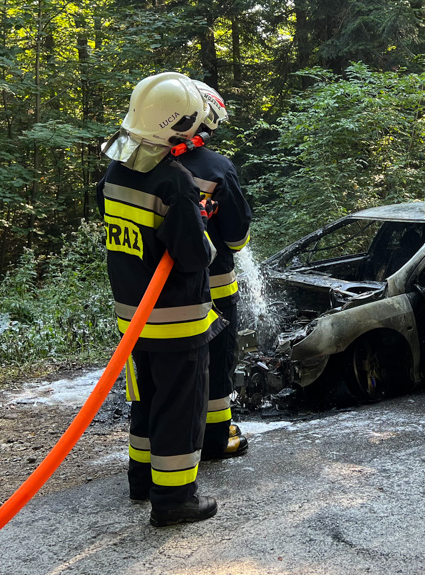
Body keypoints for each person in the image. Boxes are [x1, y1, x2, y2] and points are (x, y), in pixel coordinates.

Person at [98, 72, 223, 526]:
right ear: (179, 124)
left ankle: (141, 479)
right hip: (177, 321)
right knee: (179, 405)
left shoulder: (115, 169)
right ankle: (174, 500)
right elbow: (193, 257)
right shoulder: (173, 180)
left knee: (146, 398)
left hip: (132, 318)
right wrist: (198, 223)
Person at [176, 81, 252, 459]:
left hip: (155, 301)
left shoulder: (130, 168)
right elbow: (237, 238)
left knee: (170, 372)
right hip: (215, 292)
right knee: (216, 366)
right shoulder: (218, 168)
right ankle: (218, 438)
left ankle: (174, 437)